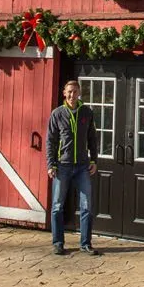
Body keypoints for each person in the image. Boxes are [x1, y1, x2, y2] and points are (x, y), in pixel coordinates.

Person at [47, 80, 100, 255]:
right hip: (62, 166)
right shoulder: (57, 114)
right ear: (64, 93)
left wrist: (94, 160)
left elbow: (92, 138)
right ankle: (58, 243)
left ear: (79, 94)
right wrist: (51, 164)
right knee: (57, 206)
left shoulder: (87, 113)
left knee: (86, 206)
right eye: (69, 92)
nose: (72, 95)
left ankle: (85, 243)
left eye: (75, 92)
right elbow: (51, 141)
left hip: (82, 167)